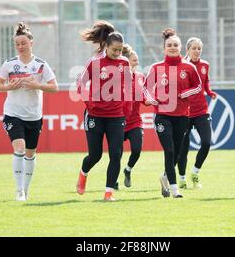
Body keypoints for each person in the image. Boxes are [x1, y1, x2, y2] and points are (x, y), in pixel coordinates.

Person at [0, 22, 58, 201]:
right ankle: (19, 190)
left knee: (30, 153)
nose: (20, 46)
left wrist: (37, 85)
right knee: (20, 147)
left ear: (31, 43)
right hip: (13, 114)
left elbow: (54, 87)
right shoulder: (9, 64)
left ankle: (26, 188)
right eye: (17, 44)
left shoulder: (40, 64)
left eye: (23, 43)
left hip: (34, 115)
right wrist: (8, 86)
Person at [76, 20, 132, 201]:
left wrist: (127, 108)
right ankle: (83, 174)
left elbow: (129, 87)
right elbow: (81, 84)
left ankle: (109, 192)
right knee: (95, 155)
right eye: (114, 49)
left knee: (116, 154)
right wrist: (89, 103)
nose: (117, 53)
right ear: (106, 46)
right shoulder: (94, 62)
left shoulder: (124, 63)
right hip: (95, 115)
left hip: (116, 115)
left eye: (120, 50)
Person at [144, 28, 202, 198]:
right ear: (164, 48)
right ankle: (175, 189)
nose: (172, 47)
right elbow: (146, 88)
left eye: (175, 45)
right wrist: (152, 99)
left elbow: (198, 87)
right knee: (169, 151)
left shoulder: (189, 67)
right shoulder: (156, 67)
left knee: (176, 152)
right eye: (169, 45)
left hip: (183, 116)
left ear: (180, 47)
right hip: (162, 115)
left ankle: (164, 177)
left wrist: (185, 93)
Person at [177, 37, 217, 189]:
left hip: (201, 110)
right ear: (187, 50)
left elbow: (205, 82)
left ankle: (195, 172)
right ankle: (181, 178)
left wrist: (209, 91)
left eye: (199, 48)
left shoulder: (205, 65)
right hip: (184, 112)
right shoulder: (182, 66)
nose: (197, 51)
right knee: (183, 149)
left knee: (206, 142)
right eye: (194, 48)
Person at [117, 44, 145, 188]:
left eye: (137, 60)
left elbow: (145, 95)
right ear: (127, 61)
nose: (137, 63)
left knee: (137, 149)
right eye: (134, 60)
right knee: (117, 154)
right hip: (119, 121)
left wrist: (151, 99)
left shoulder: (140, 77)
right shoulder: (118, 77)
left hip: (135, 121)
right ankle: (113, 180)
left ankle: (128, 170)